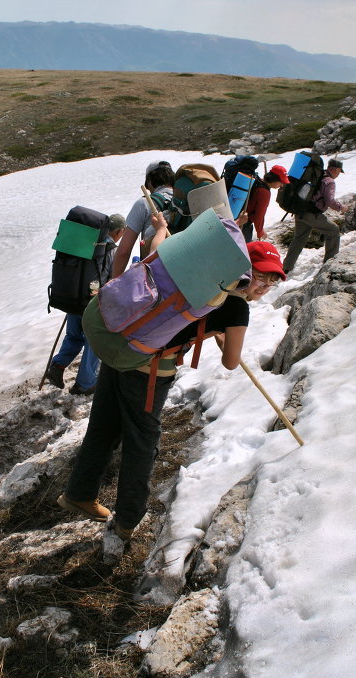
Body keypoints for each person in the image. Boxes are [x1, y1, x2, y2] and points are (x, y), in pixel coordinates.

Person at [58, 232, 285, 543]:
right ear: (244, 268)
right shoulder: (236, 307)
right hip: (148, 368)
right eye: (261, 276)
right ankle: (127, 522)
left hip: (119, 344)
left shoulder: (195, 272)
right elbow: (231, 362)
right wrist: (223, 336)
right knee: (142, 443)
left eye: (272, 281)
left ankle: (79, 494)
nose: (264, 286)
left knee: (104, 426)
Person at [47, 213, 126, 395]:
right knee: (94, 341)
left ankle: (57, 366)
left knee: (74, 336)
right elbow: (114, 279)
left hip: (74, 298)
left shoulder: (87, 244)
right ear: (119, 231)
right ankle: (85, 383)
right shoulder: (110, 249)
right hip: (92, 303)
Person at [282, 158, 346, 274]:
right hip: (312, 214)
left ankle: (286, 267)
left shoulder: (317, 175)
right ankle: (330, 262)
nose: (339, 174)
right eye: (339, 171)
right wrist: (341, 207)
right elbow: (330, 201)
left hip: (300, 211)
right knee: (333, 230)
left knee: (299, 238)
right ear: (335, 169)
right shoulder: (329, 181)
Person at [111, 161, 176, 276]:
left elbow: (124, 251)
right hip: (187, 273)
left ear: (150, 181)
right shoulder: (184, 201)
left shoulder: (144, 203)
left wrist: (114, 280)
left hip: (158, 278)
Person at [241, 165, 289, 242]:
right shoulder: (264, 192)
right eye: (281, 182)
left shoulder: (258, 181)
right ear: (274, 179)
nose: (281, 185)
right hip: (244, 223)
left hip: (238, 218)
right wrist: (260, 232)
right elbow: (259, 215)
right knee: (244, 251)